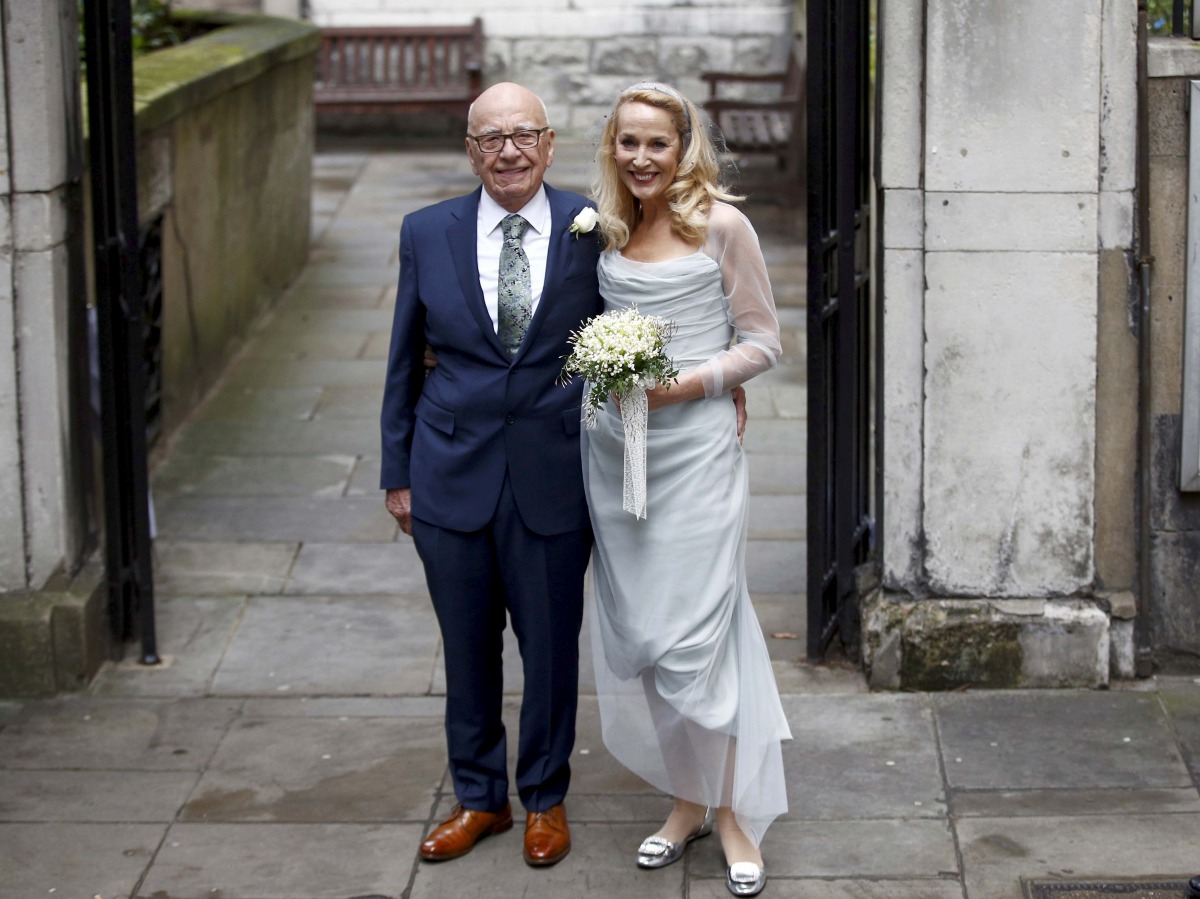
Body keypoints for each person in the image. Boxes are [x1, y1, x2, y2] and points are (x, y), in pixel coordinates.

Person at [380, 82, 603, 867]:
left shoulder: (593, 227)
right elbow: (403, 357)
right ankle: (480, 797)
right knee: (466, 646)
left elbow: (643, 317)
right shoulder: (426, 231)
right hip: (449, 471)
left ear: (549, 144)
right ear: (470, 151)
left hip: (554, 474)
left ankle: (544, 796)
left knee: (550, 648)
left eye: (524, 135)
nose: (509, 151)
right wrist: (397, 470)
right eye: (491, 139)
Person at [582, 82, 792, 897]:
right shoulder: (608, 226)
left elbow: (764, 341)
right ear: (613, 147)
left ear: (683, 147)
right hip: (615, 456)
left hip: (696, 457)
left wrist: (695, 385)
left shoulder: (722, 226)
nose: (642, 157)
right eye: (628, 141)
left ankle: (733, 812)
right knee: (646, 633)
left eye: (656, 143)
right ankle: (686, 801)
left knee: (700, 633)